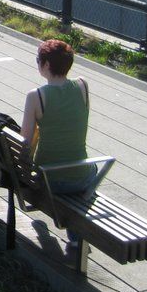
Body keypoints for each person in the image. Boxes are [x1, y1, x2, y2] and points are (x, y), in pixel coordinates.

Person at [20, 39, 95, 250]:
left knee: (58, 176)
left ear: (45, 66)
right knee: (91, 167)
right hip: (82, 177)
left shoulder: (36, 96)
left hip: (49, 177)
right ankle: (76, 238)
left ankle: (74, 236)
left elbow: (23, 142)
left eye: (38, 60)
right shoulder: (82, 85)